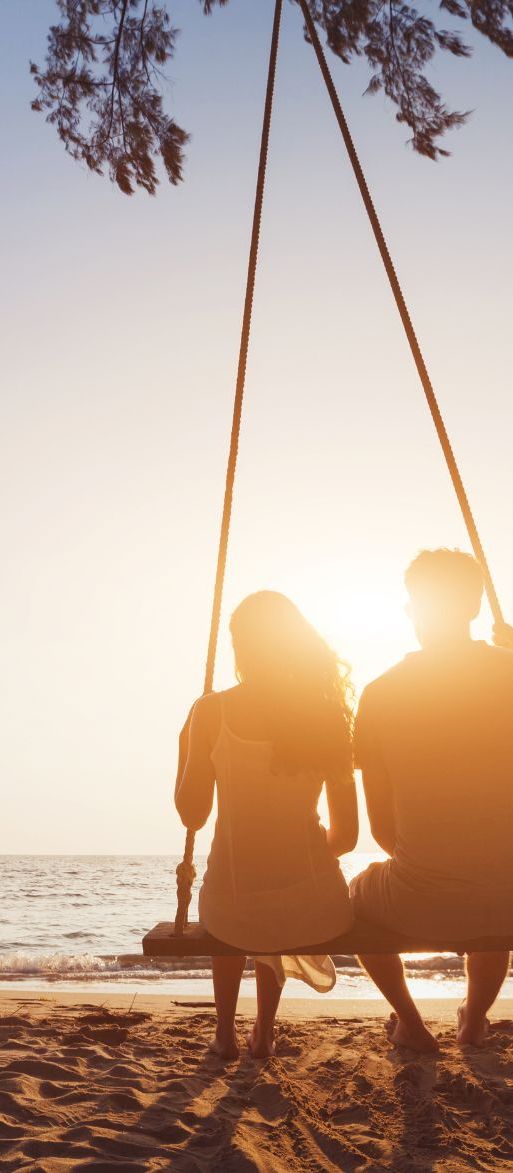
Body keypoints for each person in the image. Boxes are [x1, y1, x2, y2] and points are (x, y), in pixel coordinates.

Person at [175, 591, 358, 1059]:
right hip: (317, 904)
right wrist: (304, 861)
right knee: (274, 896)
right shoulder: (327, 715)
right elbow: (348, 836)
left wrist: (187, 746)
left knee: (237, 902)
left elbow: (192, 814)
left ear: (240, 646)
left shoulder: (211, 712)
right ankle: (265, 1030)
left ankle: (224, 1033)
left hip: (233, 904)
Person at [352, 548, 513, 1052]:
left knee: (355, 901)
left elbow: (380, 830)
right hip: (507, 900)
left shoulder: (380, 694)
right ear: (475, 607)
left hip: (420, 900)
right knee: (495, 888)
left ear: (412, 609)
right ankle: (473, 1021)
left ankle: (411, 1024)